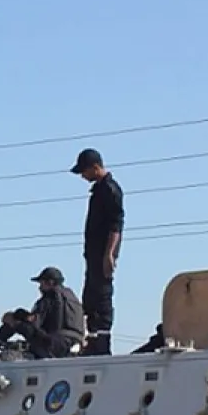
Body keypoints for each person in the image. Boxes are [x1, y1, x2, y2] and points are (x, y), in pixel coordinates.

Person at [70, 148, 124, 356]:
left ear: (95, 167)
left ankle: (101, 342)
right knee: (90, 298)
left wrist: (109, 253)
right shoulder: (98, 190)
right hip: (93, 254)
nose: (83, 176)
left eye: (84, 171)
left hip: (103, 254)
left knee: (102, 296)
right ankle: (92, 340)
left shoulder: (110, 189)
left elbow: (115, 225)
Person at [0, 266, 86, 362]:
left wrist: (15, 319)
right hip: (74, 345)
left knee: (12, 321)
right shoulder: (72, 298)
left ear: (50, 282)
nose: (39, 287)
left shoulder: (50, 298)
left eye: (41, 283)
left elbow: (34, 323)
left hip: (53, 346)